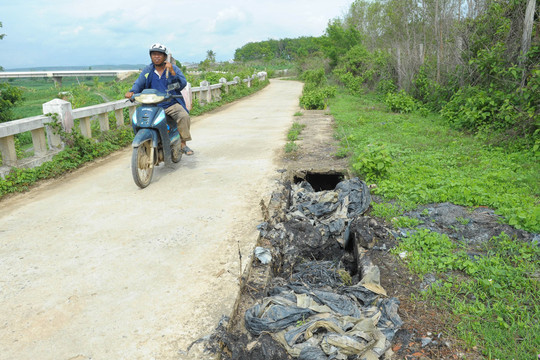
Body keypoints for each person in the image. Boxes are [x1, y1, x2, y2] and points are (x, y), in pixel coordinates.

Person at [125, 43, 194, 155]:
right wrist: (132, 91)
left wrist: (172, 71)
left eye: (159, 54)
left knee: (183, 116)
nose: (156, 57)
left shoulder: (173, 68)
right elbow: (139, 83)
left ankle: (183, 143)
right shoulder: (148, 70)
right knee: (140, 120)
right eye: (154, 54)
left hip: (170, 104)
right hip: (152, 105)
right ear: (151, 56)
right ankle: (146, 141)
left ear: (164, 57)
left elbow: (182, 84)